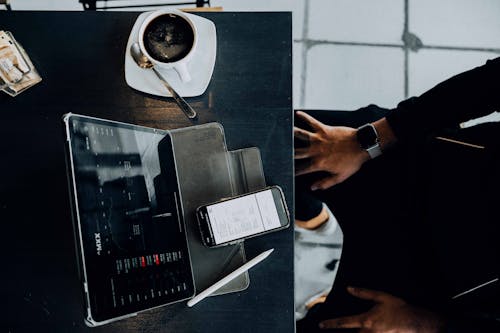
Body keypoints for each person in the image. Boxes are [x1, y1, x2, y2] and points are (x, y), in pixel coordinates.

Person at [295, 57, 500, 332]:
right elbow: (492, 81)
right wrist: (368, 140)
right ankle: (312, 216)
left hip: (429, 295)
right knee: (267, 141)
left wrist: (425, 324)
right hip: (419, 166)